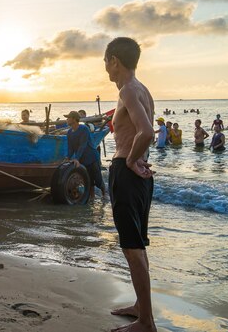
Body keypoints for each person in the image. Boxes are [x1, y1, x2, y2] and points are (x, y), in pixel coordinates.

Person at [104, 37, 156, 332]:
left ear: (114, 60)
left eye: (106, 63)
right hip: (141, 180)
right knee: (138, 246)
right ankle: (141, 307)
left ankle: (146, 322)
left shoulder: (126, 90)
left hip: (128, 176)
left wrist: (129, 160)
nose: (106, 69)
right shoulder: (142, 90)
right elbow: (144, 130)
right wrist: (137, 160)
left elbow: (146, 132)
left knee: (132, 249)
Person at [65, 110, 107, 199]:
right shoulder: (69, 133)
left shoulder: (84, 129)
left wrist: (76, 158)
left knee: (98, 181)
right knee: (89, 182)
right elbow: (70, 148)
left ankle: (105, 196)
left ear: (74, 119)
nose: (66, 120)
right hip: (83, 160)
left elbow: (82, 145)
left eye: (68, 118)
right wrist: (68, 157)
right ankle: (92, 199)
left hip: (92, 158)